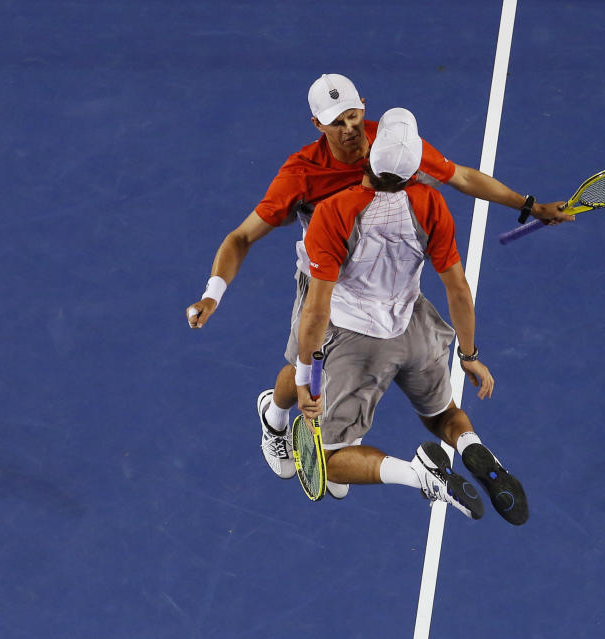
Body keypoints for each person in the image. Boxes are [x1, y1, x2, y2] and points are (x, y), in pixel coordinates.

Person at [185, 74, 570, 495]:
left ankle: (336, 441)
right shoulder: (302, 174)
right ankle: (273, 416)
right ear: (317, 124)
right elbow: (241, 236)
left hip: (385, 282)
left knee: (320, 370)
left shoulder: (392, 145)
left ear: (364, 107)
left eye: (353, 116)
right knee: (300, 367)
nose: (349, 129)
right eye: (337, 122)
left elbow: (460, 176)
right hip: (324, 281)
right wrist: (212, 293)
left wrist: (529, 205)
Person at [294, 107, 528, 524]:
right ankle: (474, 447)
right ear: (414, 167)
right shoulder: (430, 203)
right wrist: (469, 355)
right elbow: (458, 290)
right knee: (443, 415)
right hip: (415, 329)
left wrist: (306, 378)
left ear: (371, 156)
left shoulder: (333, 212)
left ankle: (418, 474)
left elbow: (315, 310)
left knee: (326, 459)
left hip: (357, 341)